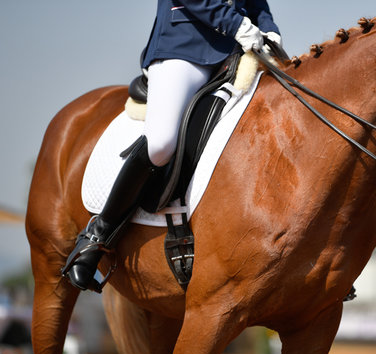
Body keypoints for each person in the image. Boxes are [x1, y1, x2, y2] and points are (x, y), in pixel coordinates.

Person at [62, 0, 282, 292]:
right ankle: (97, 234)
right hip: (186, 46)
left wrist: (269, 29)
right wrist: (238, 25)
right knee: (161, 144)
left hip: (239, 50)